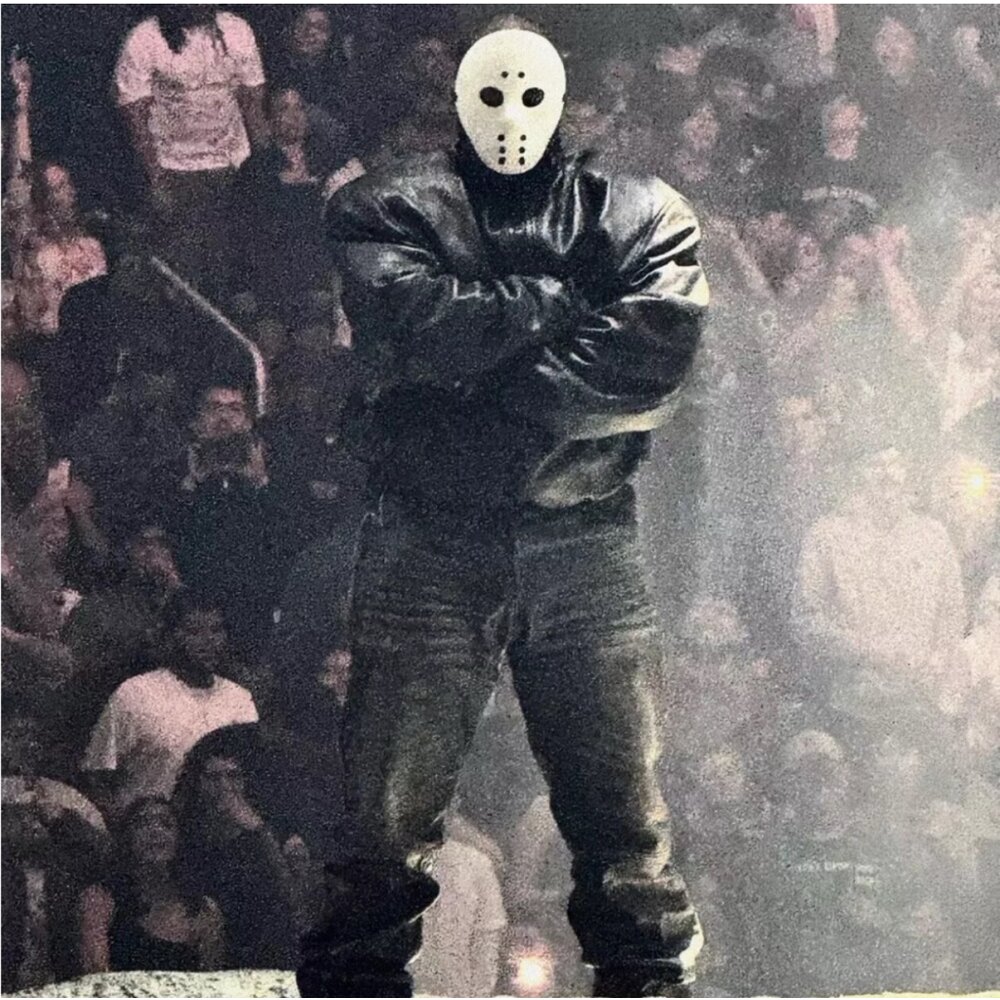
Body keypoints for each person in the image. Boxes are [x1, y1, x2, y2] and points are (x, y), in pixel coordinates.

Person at [299, 21, 707, 999]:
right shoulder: (383, 207)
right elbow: (413, 328)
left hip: (582, 535)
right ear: (456, 100)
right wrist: (560, 306)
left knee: (623, 819)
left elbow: (647, 358)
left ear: (561, 102)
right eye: (493, 95)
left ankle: (648, 984)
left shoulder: (644, 211)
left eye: (529, 97)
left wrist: (473, 377)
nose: (512, 118)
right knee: (383, 823)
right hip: (433, 537)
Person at [114, 8, 269, 288]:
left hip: (232, 163)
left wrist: (264, 168)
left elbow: (253, 104)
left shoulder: (237, 30)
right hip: (175, 170)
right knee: (184, 272)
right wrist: (156, 179)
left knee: (229, 264)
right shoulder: (145, 38)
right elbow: (135, 118)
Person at [80, 595, 259, 816]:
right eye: (195, 632)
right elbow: (97, 773)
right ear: (171, 636)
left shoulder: (239, 699)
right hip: (151, 826)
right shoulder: (135, 693)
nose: (208, 642)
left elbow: (252, 775)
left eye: (216, 630)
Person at [173, 725, 301, 970]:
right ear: (199, 783)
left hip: (267, 943)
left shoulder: (271, 829)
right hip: (209, 943)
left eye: (233, 776)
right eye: (213, 778)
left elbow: (291, 896)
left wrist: (257, 830)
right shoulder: (187, 831)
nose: (224, 786)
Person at [78, 797, 225, 973]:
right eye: (143, 824)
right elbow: (96, 974)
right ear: (127, 838)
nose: (156, 831)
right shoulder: (100, 898)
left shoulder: (203, 909)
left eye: (166, 824)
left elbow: (211, 979)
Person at [413, 810, 508, 998]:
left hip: (453, 990)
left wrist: (478, 993)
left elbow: (487, 941)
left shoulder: (475, 863)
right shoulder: (476, 862)